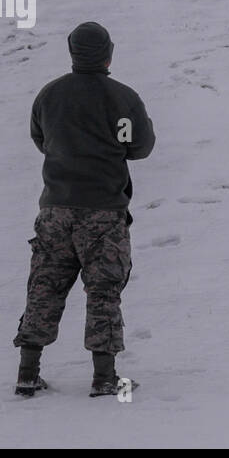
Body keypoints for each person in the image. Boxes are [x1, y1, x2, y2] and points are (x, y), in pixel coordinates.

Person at [13, 21, 155, 397]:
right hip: (103, 213)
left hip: (55, 210)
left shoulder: (50, 95)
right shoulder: (123, 99)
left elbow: (41, 139)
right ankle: (104, 378)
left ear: (71, 51)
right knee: (104, 291)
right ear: (109, 53)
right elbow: (140, 146)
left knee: (44, 287)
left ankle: (27, 372)